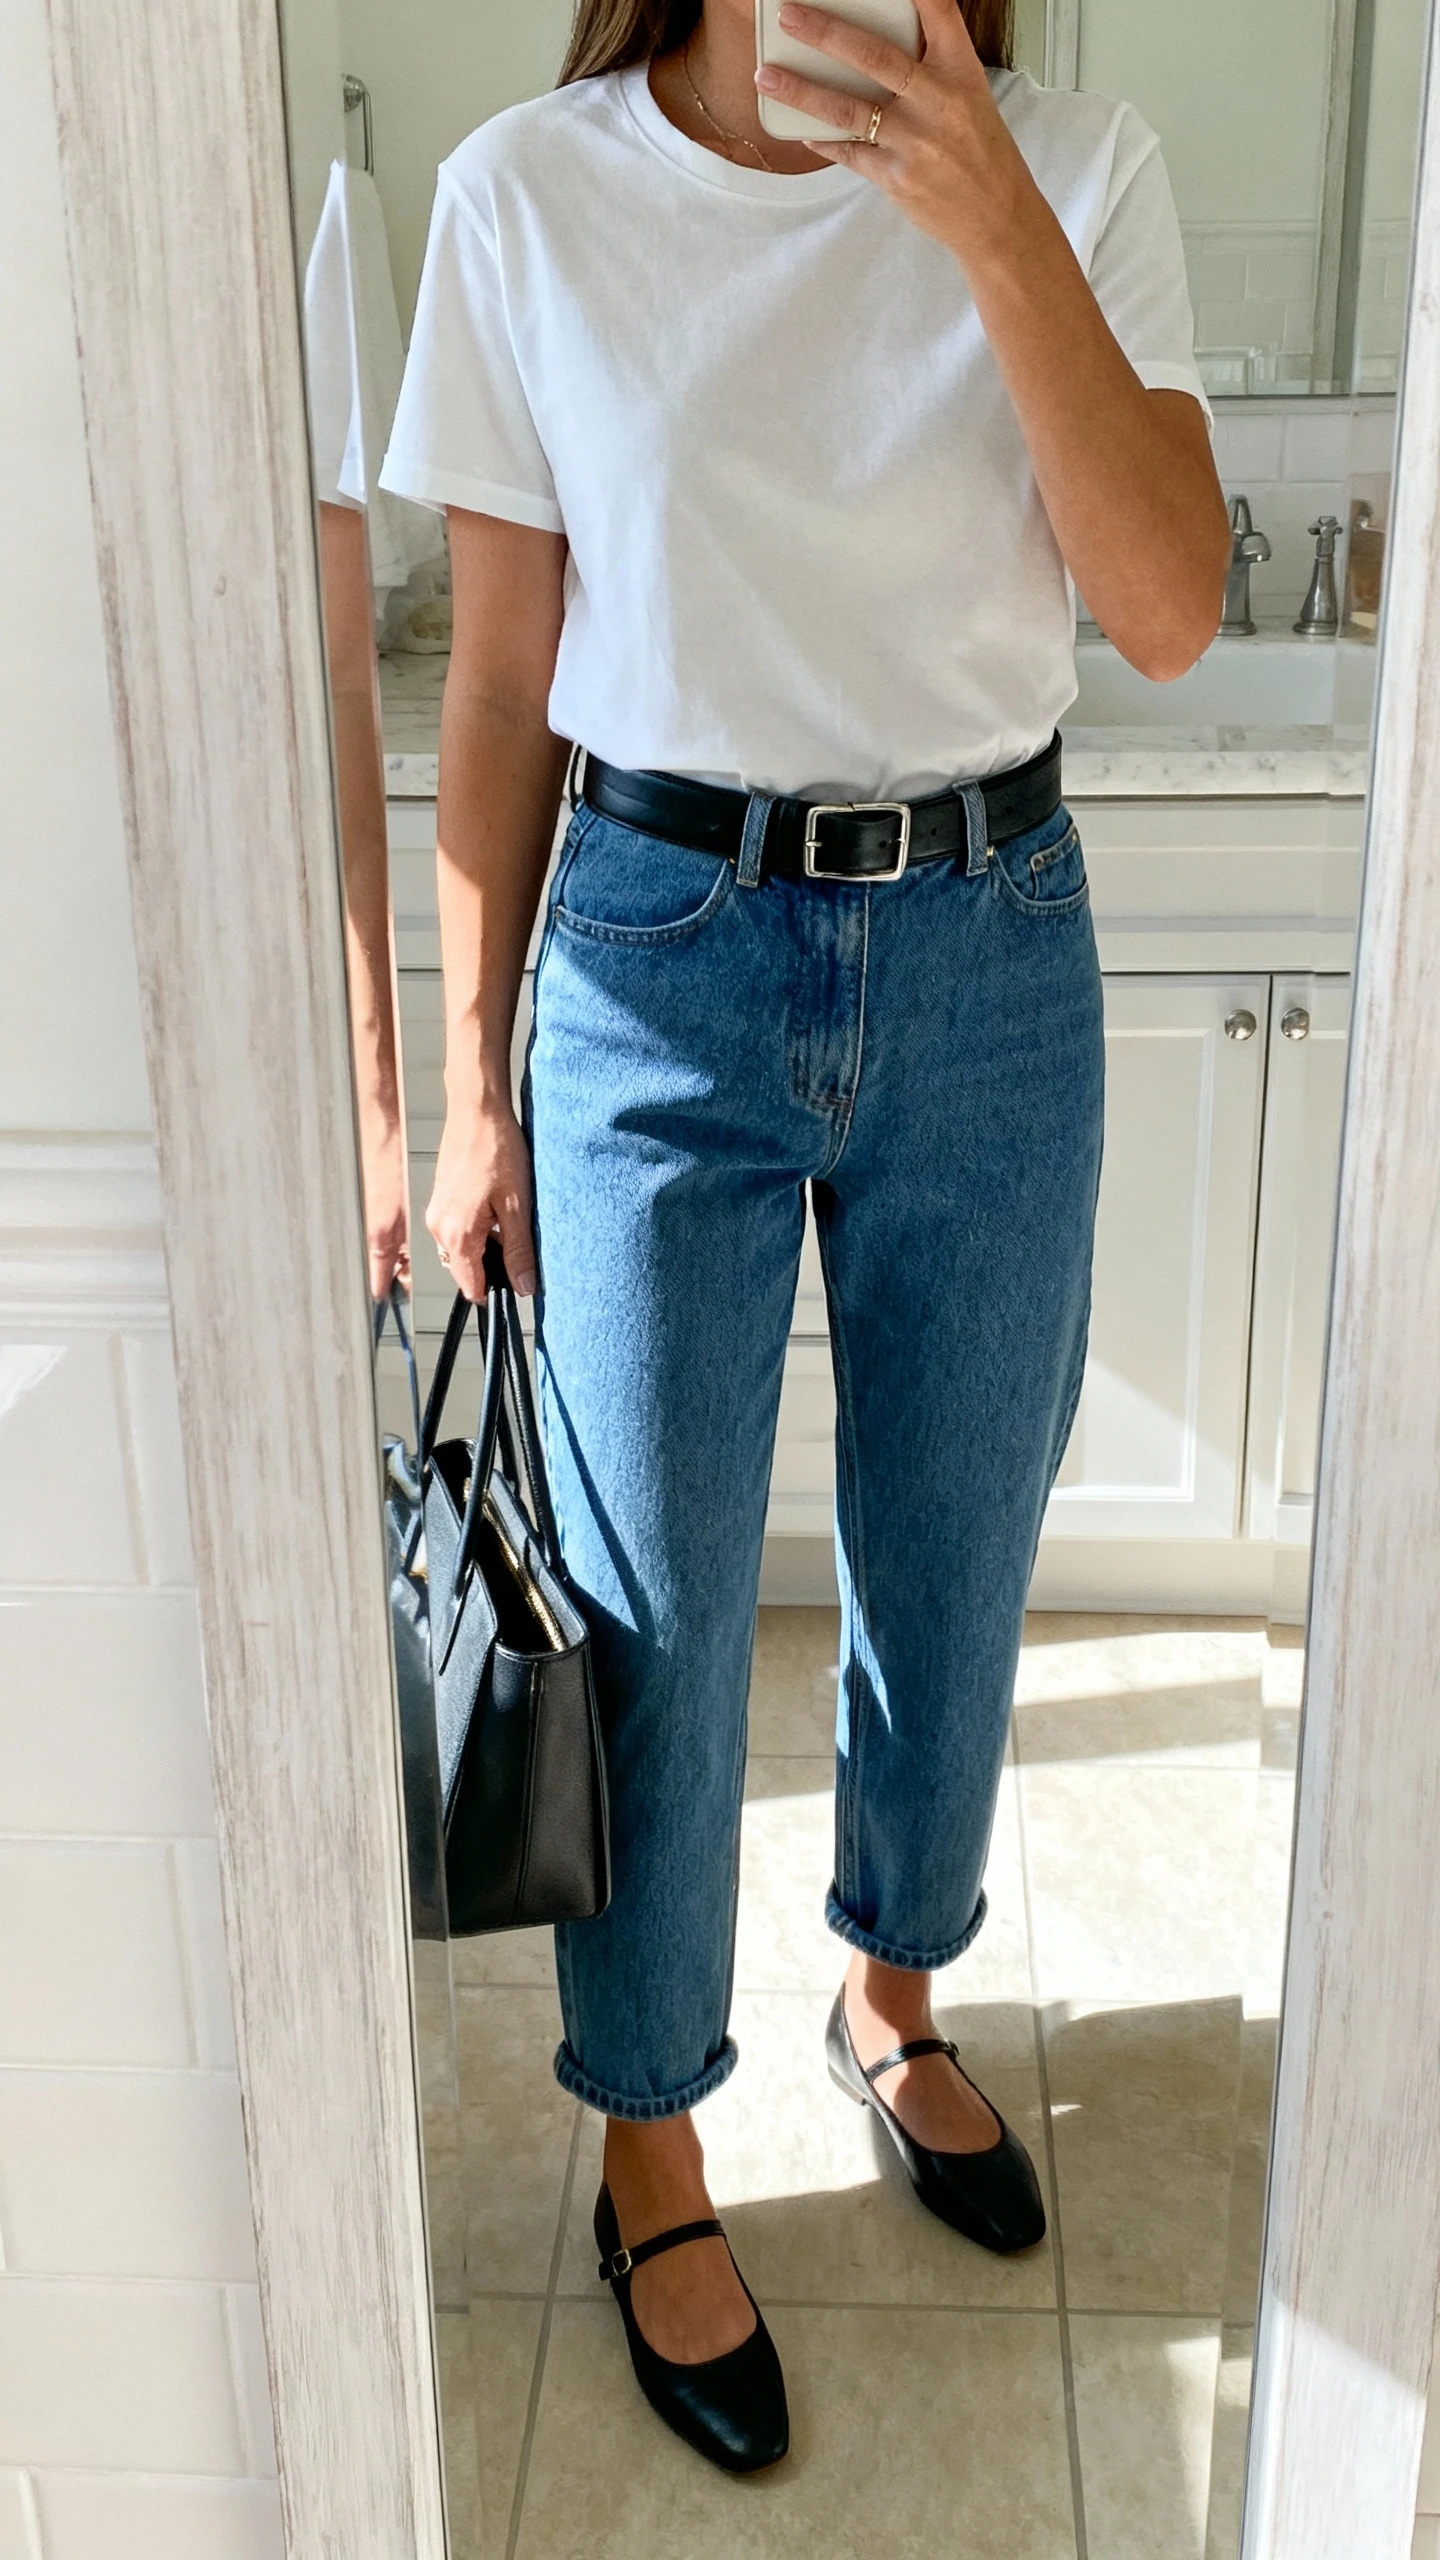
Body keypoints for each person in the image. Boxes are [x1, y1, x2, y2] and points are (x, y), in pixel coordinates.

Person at [380, 0, 1227, 2475]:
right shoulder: (531, 200)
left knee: (957, 1538)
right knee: (645, 1605)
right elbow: (507, 679)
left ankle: (892, 1985)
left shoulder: (1082, 163)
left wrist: (983, 216)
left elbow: (1165, 608)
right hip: (656, 951)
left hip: (991, 933)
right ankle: (653, 2126)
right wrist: (459, 1088)